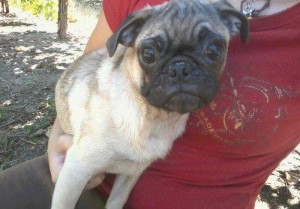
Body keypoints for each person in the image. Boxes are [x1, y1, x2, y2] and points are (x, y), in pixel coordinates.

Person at [0, 0, 299, 208]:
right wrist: (60, 134)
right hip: (82, 182)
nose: (180, 71)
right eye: (152, 55)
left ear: (235, 30)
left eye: (210, 51)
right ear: (127, 41)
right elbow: (85, 66)